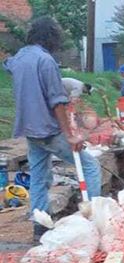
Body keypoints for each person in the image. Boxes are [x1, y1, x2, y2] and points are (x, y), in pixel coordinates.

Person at [3, 17, 103, 241]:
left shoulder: (19, 57)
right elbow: (57, 102)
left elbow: (6, 65)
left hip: (29, 129)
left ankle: (40, 227)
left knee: (39, 178)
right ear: (51, 37)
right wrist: (70, 134)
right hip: (48, 129)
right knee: (89, 166)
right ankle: (95, 219)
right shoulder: (46, 60)